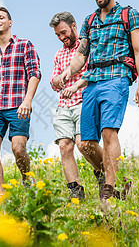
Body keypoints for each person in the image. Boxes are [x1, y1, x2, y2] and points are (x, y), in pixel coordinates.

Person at [58, 0, 139, 200]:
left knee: (109, 132)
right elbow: (81, 54)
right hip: (93, 80)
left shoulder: (129, 14)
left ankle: (109, 189)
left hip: (117, 77)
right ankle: (118, 178)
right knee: (86, 143)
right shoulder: (90, 20)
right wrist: (69, 71)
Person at [0, 6, 41, 194]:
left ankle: (27, 179)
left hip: (18, 106)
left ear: (10, 22)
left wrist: (27, 100)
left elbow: (35, 74)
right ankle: (0, 193)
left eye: (1, 18)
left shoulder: (24, 45)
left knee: (18, 148)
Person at [49, 11, 92, 200]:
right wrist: (57, 80)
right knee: (65, 146)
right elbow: (54, 80)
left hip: (83, 100)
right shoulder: (59, 54)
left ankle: (102, 173)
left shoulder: (85, 48)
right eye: (58, 35)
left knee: (84, 145)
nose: (62, 37)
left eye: (64, 32)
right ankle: (76, 191)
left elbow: (91, 74)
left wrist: (74, 84)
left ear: (74, 27)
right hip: (64, 105)